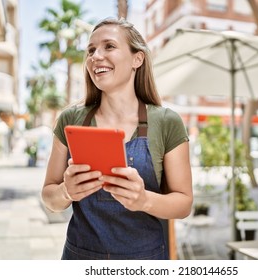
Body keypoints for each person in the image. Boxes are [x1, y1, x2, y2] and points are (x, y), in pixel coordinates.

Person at [42, 17, 193, 260]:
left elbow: (183, 203)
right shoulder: (70, 119)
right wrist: (66, 192)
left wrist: (143, 200)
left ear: (137, 58)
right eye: (91, 50)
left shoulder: (167, 122)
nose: (95, 56)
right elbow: (49, 196)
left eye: (108, 46)